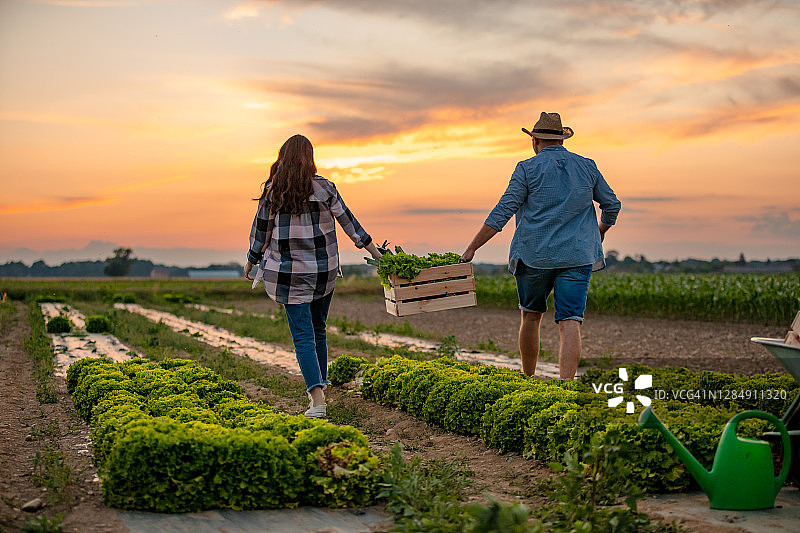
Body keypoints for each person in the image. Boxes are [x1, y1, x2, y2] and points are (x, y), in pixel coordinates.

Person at [461, 112, 621, 380]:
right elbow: (612, 205)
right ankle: (566, 387)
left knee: (531, 316)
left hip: (534, 257)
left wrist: (472, 248)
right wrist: (600, 231)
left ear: (534, 141)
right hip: (577, 257)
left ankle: (528, 378)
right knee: (570, 321)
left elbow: (503, 210)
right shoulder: (587, 166)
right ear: (562, 140)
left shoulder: (526, 168)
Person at [244, 134, 382, 418]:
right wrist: (377, 254)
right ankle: (322, 386)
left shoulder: (274, 190)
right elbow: (349, 223)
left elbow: (261, 232)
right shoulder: (325, 188)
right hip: (323, 272)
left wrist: (251, 261)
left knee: (303, 336)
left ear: (282, 157)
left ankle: (317, 402)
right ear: (310, 158)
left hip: (289, 274)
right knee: (318, 328)